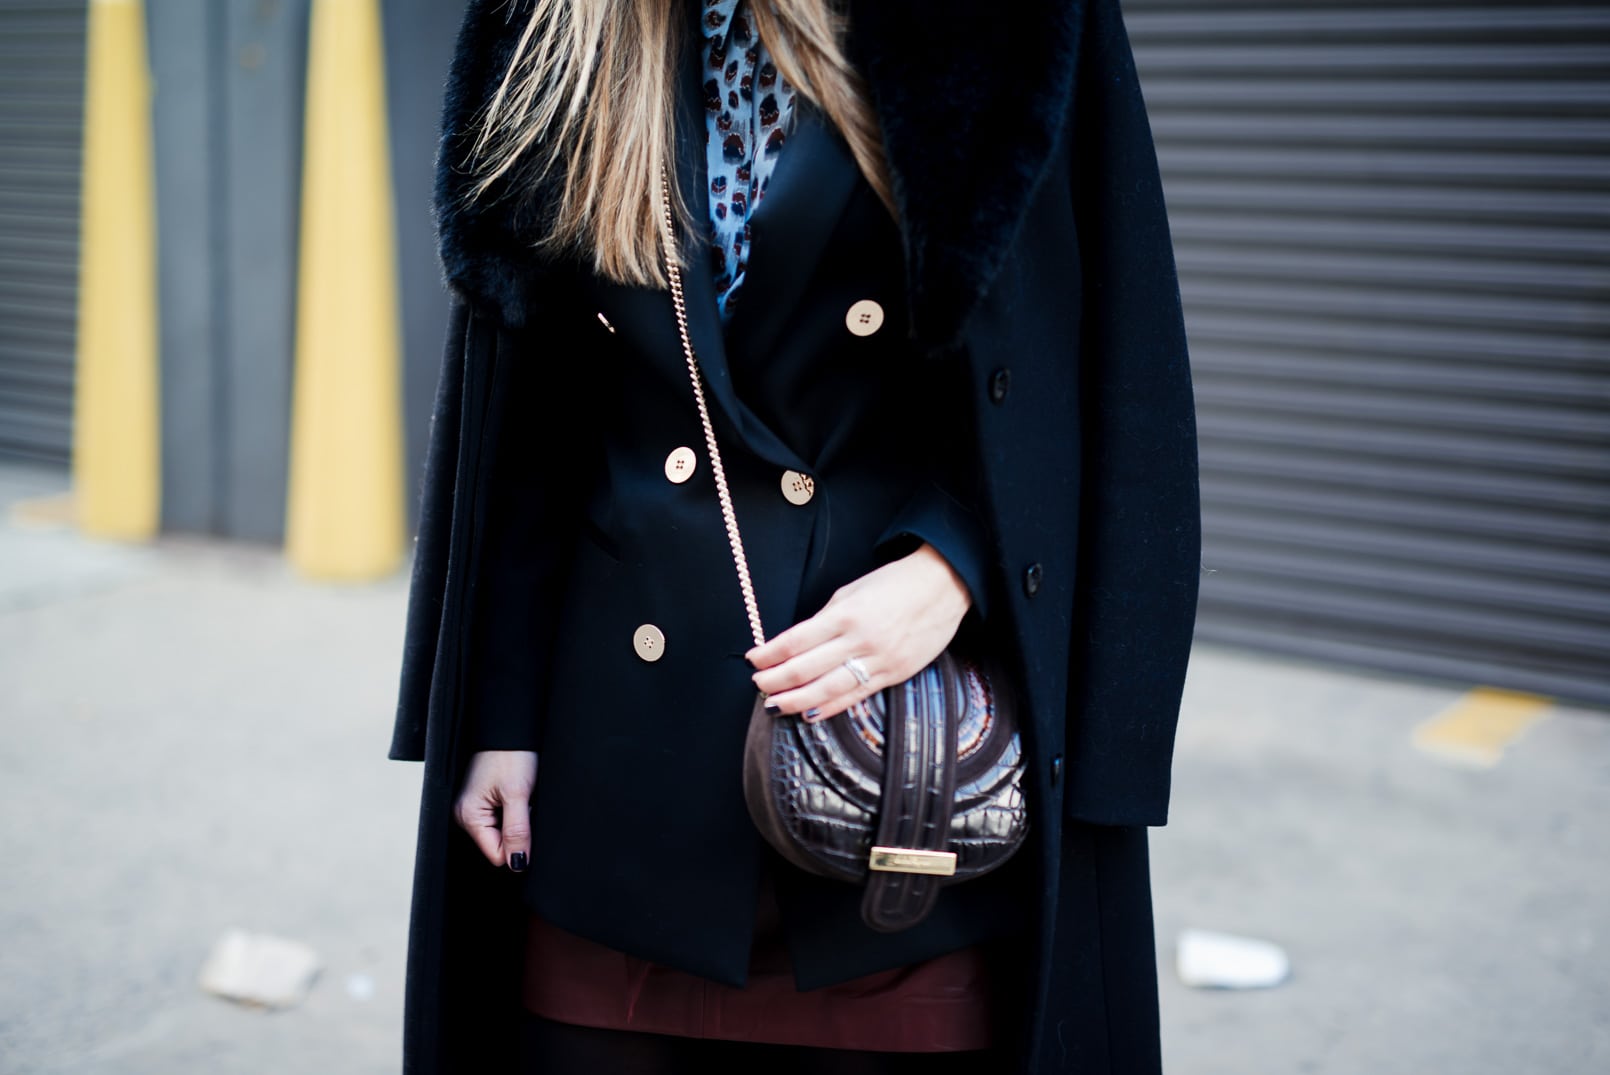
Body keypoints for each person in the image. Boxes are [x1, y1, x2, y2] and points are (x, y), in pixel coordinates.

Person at [389, 0, 1201, 1072]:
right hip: (620, 775)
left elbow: (1091, 346)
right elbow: (536, 404)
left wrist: (952, 567)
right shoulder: (556, 26)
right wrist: (498, 711)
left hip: (896, 775)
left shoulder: (1003, 25)